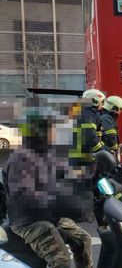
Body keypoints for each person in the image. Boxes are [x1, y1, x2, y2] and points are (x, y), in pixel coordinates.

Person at [5, 99, 94, 268]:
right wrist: (61, 202)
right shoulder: (20, 159)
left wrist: (87, 175)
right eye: (51, 127)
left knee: (83, 240)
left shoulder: (46, 152)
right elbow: (27, 196)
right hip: (29, 220)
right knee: (61, 261)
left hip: (50, 214)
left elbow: (64, 172)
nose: (55, 131)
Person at [80, 89, 106, 154]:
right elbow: (91, 137)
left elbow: (97, 136)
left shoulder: (87, 113)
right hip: (85, 156)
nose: (102, 104)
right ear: (95, 101)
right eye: (102, 101)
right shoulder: (88, 115)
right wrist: (103, 152)